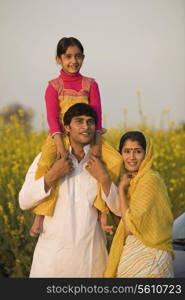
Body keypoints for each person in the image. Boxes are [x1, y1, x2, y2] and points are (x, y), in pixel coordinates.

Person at [29, 36, 122, 236]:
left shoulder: (90, 84)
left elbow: (96, 116)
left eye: (78, 56)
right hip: (60, 136)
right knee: (46, 165)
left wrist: (96, 146)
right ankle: (40, 214)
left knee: (113, 162)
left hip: (90, 134)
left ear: (83, 57)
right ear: (58, 59)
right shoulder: (53, 86)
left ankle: (101, 210)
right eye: (68, 56)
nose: (74, 61)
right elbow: (53, 119)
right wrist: (60, 147)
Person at [19, 103, 121, 277]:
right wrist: (52, 175)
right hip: (50, 266)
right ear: (66, 127)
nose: (85, 126)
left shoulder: (102, 162)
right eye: (79, 121)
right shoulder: (48, 159)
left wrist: (104, 178)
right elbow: (24, 201)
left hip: (91, 266)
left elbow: (118, 209)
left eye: (90, 122)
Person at [104, 131, 174, 278]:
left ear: (146, 153)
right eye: (127, 151)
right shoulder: (133, 182)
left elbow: (130, 227)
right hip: (137, 254)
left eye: (137, 151)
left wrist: (121, 192)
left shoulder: (149, 180)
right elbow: (123, 222)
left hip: (151, 257)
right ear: (120, 154)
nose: (132, 157)